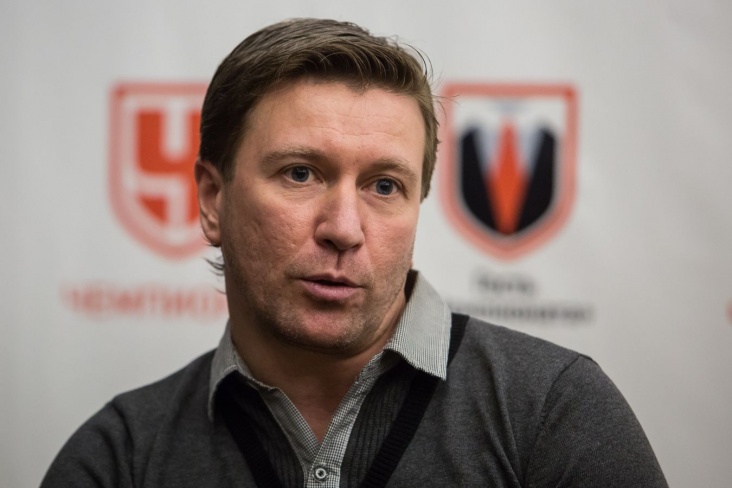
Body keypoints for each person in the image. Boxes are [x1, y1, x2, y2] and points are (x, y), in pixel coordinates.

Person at [42, 18, 668, 487]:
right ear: (212, 199)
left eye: (384, 186)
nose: (344, 228)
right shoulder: (120, 457)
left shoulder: (552, 411)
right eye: (300, 174)